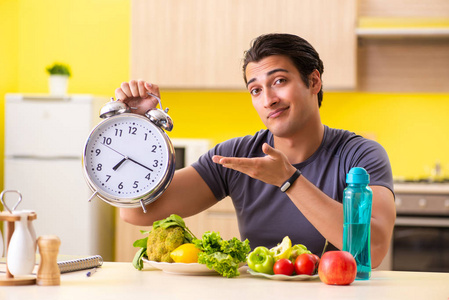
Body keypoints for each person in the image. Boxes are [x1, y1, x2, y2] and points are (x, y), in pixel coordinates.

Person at [116, 33, 396, 268]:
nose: (269, 100)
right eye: (256, 90)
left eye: (279, 82)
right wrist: (140, 130)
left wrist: (289, 181)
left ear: (314, 82)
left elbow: (375, 247)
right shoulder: (239, 154)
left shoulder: (360, 156)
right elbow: (136, 213)